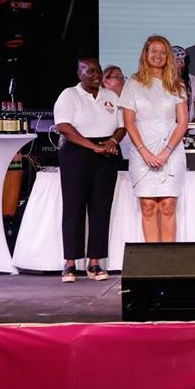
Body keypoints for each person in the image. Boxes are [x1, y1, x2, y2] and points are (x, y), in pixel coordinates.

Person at [53, 55, 126, 282]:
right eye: (90, 71)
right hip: (77, 152)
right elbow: (64, 126)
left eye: (98, 71)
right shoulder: (69, 95)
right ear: (79, 74)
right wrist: (92, 147)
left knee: (100, 208)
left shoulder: (111, 96)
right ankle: (70, 263)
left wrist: (112, 142)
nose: (95, 75)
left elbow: (122, 126)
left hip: (106, 152)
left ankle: (94, 263)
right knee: (74, 207)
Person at [119, 35, 189, 243]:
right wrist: (145, 152)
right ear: (146, 54)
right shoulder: (132, 84)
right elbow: (129, 123)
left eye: (162, 52)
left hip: (171, 151)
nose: (158, 56)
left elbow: (182, 123)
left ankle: (167, 265)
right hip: (142, 152)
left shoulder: (177, 85)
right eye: (154, 51)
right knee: (148, 207)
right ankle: (153, 263)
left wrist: (166, 151)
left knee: (167, 206)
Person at [102, 65, 134, 159]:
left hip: (129, 153)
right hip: (106, 150)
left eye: (123, 78)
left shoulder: (129, 101)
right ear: (105, 80)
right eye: (116, 77)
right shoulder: (98, 101)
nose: (122, 81)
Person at [172, 45, 195, 122]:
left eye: (182, 62)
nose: (178, 67)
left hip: (188, 132)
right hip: (163, 132)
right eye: (175, 63)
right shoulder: (158, 82)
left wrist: (183, 129)